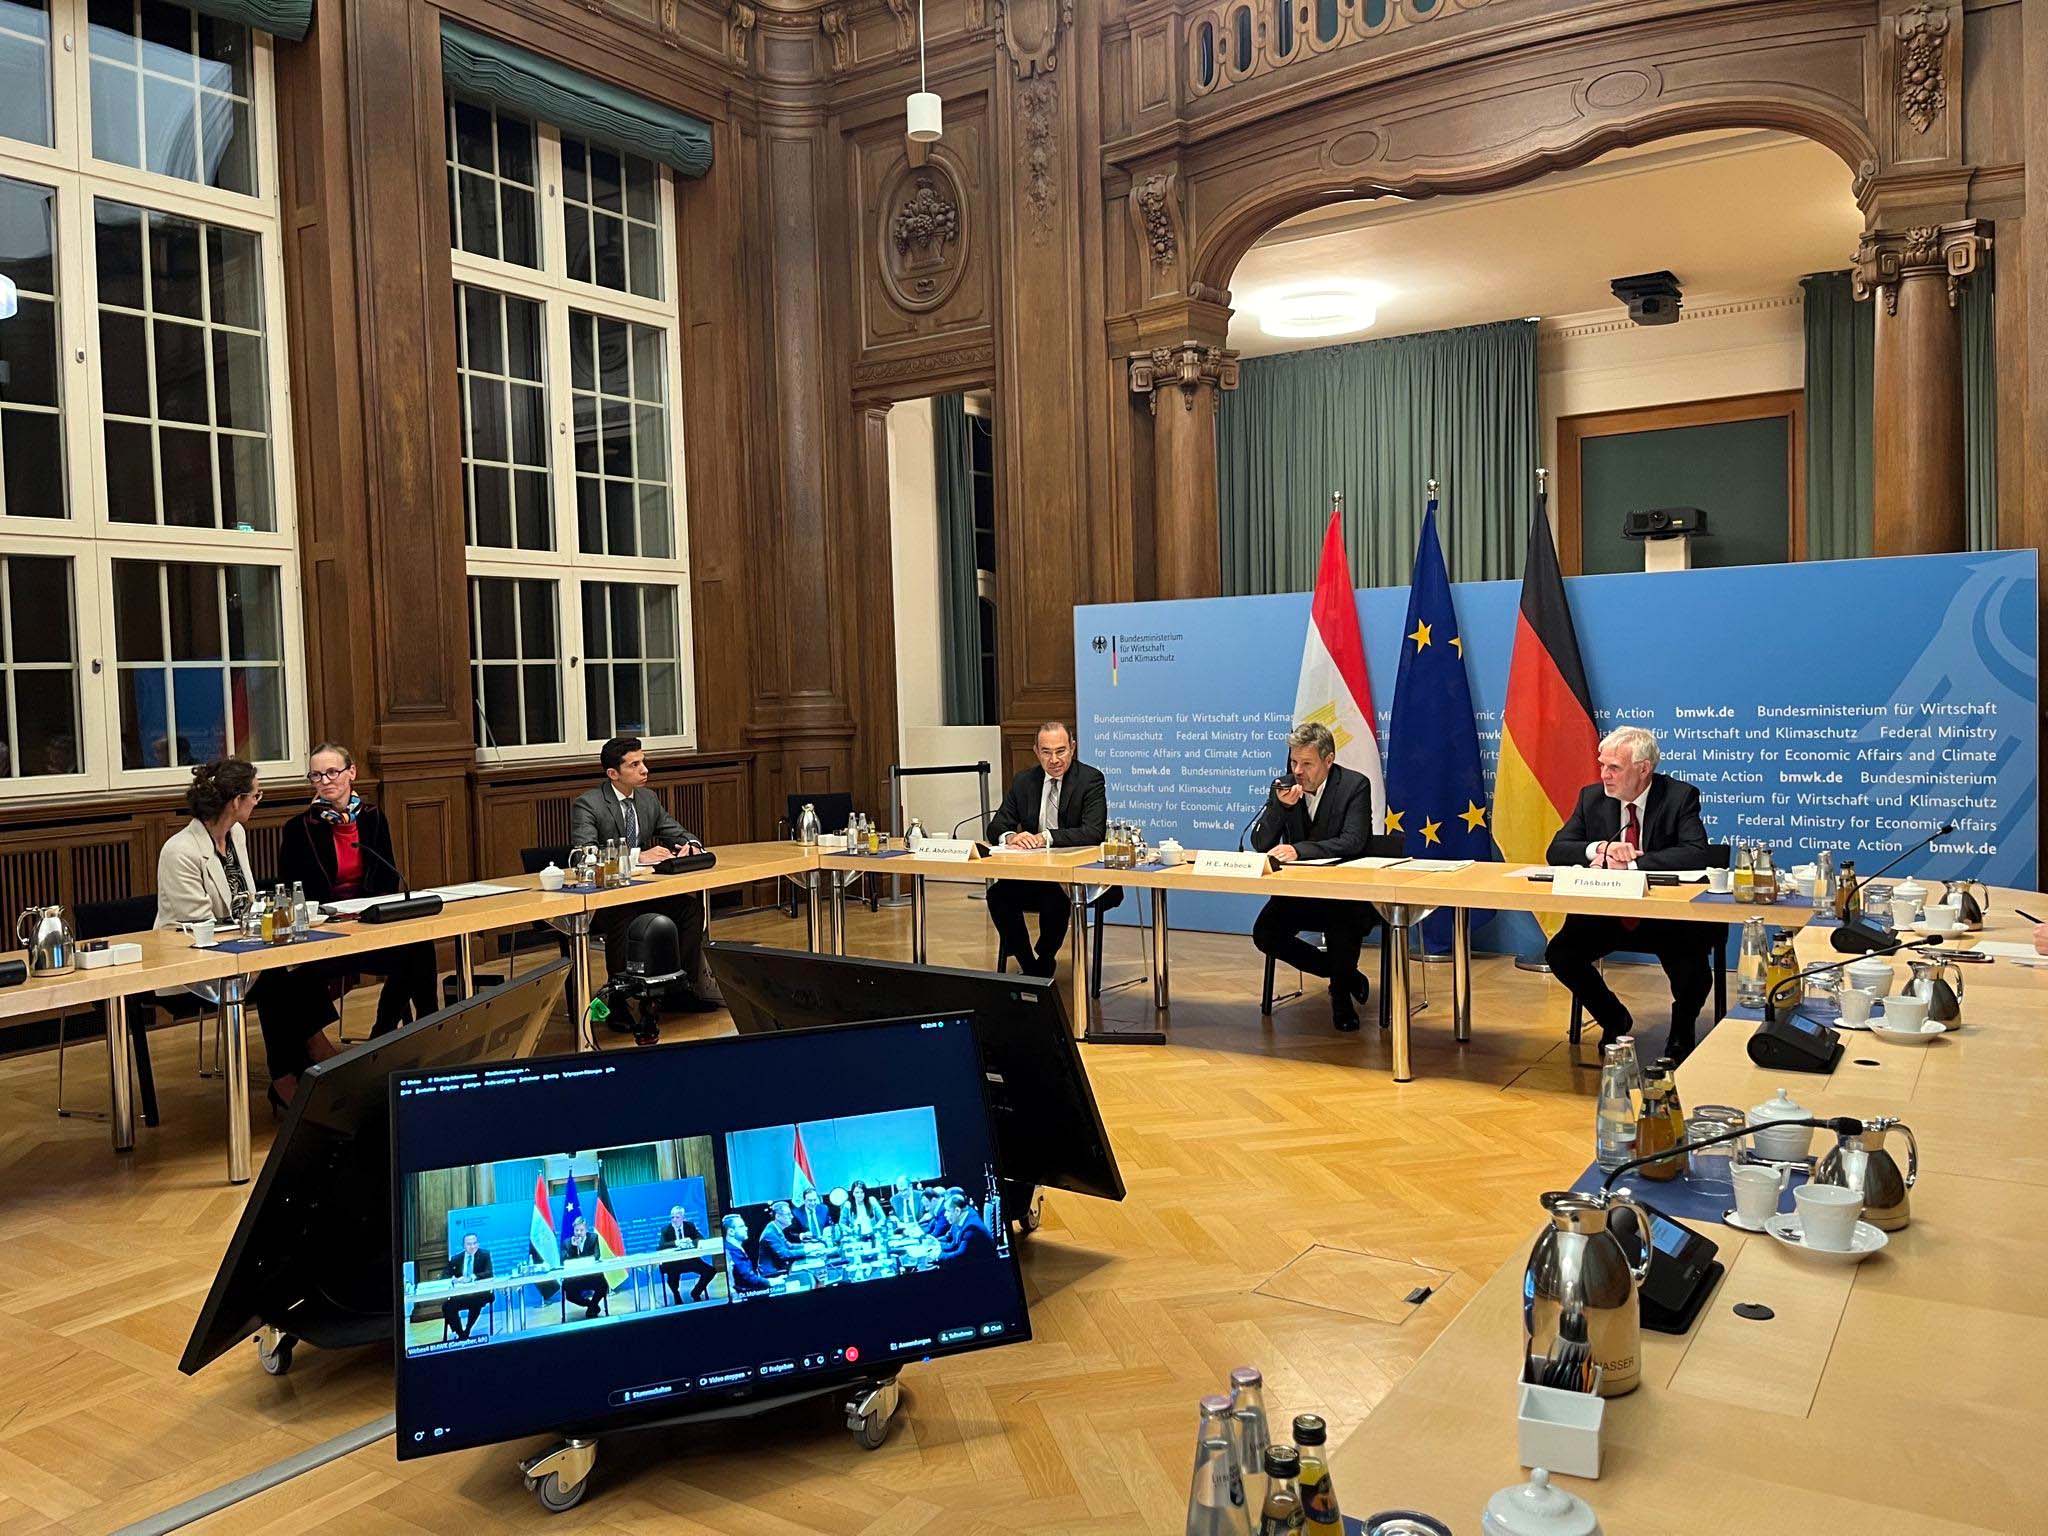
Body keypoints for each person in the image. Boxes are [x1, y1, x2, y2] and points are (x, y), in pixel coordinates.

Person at [154, 759, 338, 1110]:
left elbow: (246, 903)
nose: (258, 800)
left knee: (295, 961)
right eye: (255, 794)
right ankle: (296, 1070)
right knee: (276, 977)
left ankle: (304, 1067)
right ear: (236, 801)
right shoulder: (180, 852)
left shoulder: (235, 834)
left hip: (244, 952)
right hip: (191, 964)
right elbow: (199, 927)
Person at [1544, 727, 1715, 1059]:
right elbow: (1558, 850)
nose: (1604, 775)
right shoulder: (1591, 797)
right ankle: (1614, 1017)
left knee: (1692, 968)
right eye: (1602, 765)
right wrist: (1600, 849)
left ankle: (1682, 1029)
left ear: (1643, 768)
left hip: (1664, 917)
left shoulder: (1679, 796)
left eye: (1614, 768)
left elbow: (1697, 853)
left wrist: (1634, 865)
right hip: (1606, 916)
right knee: (1561, 954)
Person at [278, 742, 441, 1035]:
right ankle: (388, 1037)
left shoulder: (373, 817)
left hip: (370, 924)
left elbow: (388, 876)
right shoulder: (298, 828)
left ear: (351, 772)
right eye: (316, 775)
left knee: (419, 946)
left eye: (332, 772)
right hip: (326, 933)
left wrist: (369, 913)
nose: (325, 781)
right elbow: (293, 891)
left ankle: (408, 1029)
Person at [569, 735, 722, 1010]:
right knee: (622, 916)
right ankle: (618, 1002)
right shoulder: (589, 804)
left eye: (644, 762)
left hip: (642, 891)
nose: (645, 770)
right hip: (606, 899)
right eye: (634, 764)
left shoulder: (647, 799)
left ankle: (678, 990)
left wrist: (691, 846)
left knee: (690, 909)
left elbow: (676, 831)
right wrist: (639, 855)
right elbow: (585, 856)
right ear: (613, 773)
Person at [1247, 722, 1378, 1031]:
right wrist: (1279, 808)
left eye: (1307, 763)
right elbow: (1260, 843)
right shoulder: (1284, 785)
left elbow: (1354, 840)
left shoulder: (1354, 785)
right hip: (1299, 895)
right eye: (1294, 761)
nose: (1298, 771)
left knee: (1342, 926)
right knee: (1264, 933)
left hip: (1344, 896)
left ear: (1328, 761)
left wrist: (1298, 850)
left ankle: (1341, 998)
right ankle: (1343, 976)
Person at [984, 721, 1112, 976]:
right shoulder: (1024, 781)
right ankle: (1028, 964)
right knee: (998, 895)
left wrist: (1045, 838)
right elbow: (996, 826)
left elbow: (1093, 832)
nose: (1054, 759)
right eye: (1046, 752)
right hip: (1034, 874)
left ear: (1072, 748)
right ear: (1036, 751)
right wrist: (1011, 837)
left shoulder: (1090, 780)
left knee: (1055, 895)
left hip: (1073, 878)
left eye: (1060, 751)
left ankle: (1045, 957)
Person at [440, 1232, 494, 1340]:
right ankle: (461, 1334)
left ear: (478, 1244)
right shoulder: (456, 1258)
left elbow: (489, 1273)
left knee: (476, 1302)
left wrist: (472, 1277)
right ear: (464, 1246)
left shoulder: (484, 1255)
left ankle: (467, 1330)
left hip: (479, 1293)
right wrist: (453, 1279)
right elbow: (444, 1275)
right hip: (461, 1294)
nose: (472, 1246)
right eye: (469, 1244)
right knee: (447, 1307)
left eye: (475, 1243)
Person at [658, 1204, 714, 1304]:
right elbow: (661, 1246)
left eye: (677, 1217)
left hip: (690, 1260)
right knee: (672, 1276)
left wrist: (690, 1242)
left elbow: (700, 1239)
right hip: (673, 1263)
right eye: (672, 1217)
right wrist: (676, 1243)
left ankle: (696, 1292)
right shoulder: (666, 1230)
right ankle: (676, 1294)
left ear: (683, 1218)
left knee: (711, 1271)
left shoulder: (690, 1226)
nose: (674, 1220)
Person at [560, 1216, 609, 1318]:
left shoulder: (593, 1238)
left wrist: (584, 1261)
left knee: (603, 1284)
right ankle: (592, 1306)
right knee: (569, 1293)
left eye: (581, 1230)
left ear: (586, 1229)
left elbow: (597, 1255)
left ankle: (591, 1308)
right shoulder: (567, 1243)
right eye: (576, 1230)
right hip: (575, 1278)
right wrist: (574, 1247)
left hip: (591, 1275)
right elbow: (564, 1261)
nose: (578, 1233)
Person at [936, 1191, 996, 1263]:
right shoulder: (961, 1216)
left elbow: (960, 1255)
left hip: (984, 1266)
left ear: (957, 1211)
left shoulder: (971, 1228)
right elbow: (953, 1244)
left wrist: (938, 1256)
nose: (945, 1214)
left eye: (948, 1211)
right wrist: (934, 1245)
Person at [723, 1213, 771, 1295]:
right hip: (744, 1292)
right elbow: (749, 1278)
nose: (746, 1228)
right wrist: (770, 1282)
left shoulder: (734, 1248)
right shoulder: (731, 1251)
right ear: (731, 1231)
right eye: (741, 1226)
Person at [759, 1202, 802, 1272]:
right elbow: (784, 1254)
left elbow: (789, 1246)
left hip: (781, 1267)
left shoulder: (775, 1227)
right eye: (788, 1214)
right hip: (773, 1273)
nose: (792, 1216)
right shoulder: (770, 1233)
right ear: (778, 1216)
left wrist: (808, 1247)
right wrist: (806, 1251)